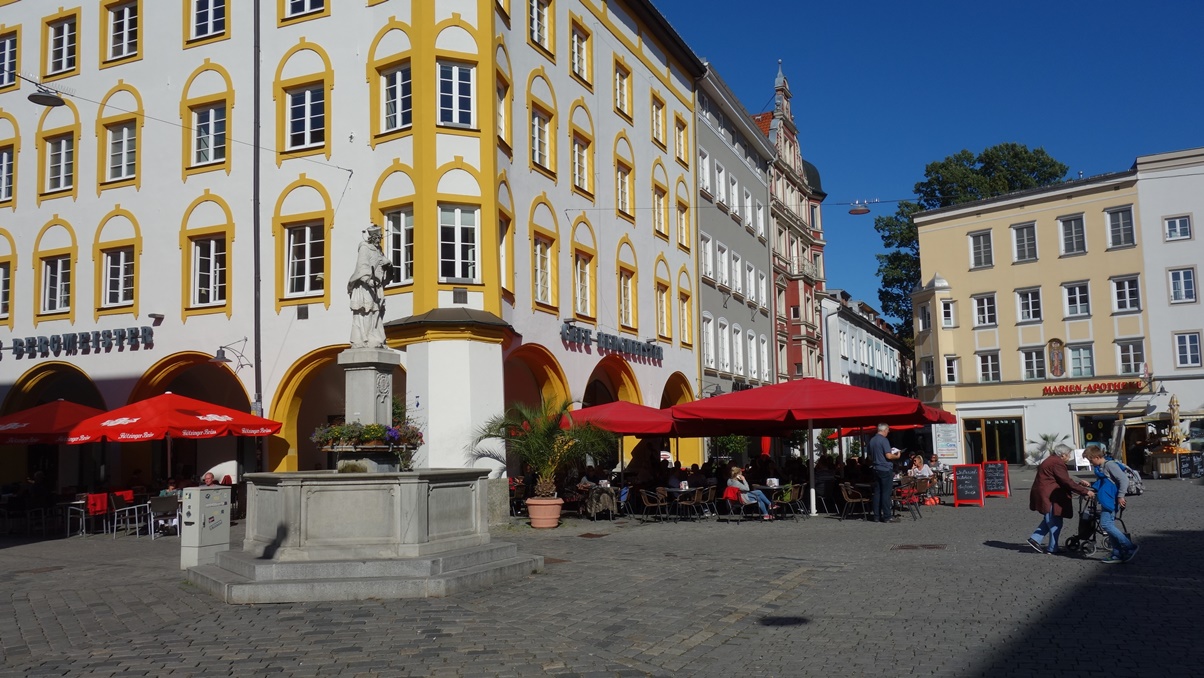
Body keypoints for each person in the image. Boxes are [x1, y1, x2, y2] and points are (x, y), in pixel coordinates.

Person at [1028, 444, 1093, 555]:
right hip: (1050, 495)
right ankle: (1051, 548)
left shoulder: (1052, 460)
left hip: (1046, 493)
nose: (1069, 457)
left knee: (1050, 519)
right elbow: (1066, 481)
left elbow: (1062, 479)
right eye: (1068, 455)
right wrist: (1085, 491)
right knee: (1055, 521)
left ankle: (1035, 539)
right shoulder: (1057, 463)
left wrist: (1078, 485)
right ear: (1062, 455)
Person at [1084, 444, 1138, 563]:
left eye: (1090, 460)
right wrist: (1091, 485)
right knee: (1109, 526)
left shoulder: (1110, 465)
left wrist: (1121, 496)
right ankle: (1116, 553)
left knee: (1106, 524)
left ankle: (1129, 546)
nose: (1090, 463)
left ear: (1096, 457)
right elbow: (1104, 483)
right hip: (1107, 500)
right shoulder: (1102, 467)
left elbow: (1123, 479)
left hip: (1111, 500)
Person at [347, 226, 393, 349]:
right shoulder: (364, 247)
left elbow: (381, 261)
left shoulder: (378, 249)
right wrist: (368, 280)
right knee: (366, 311)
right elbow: (362, 266)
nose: (379, 240)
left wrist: (387, 263)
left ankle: (375, 337)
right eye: (377, 238)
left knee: (376, 311)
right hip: (365, 286)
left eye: (380, 238)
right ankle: (364, 338)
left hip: (377, 285)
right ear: (372, 237)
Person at [868, 423, 901, 522]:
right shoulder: (884, 440)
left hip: (875, 468)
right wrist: (897, 456)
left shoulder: (872, 440)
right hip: (885, 468)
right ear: (884, 430)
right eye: (888, 430)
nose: (888, 432)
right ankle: (887, 516)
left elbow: (869, 456)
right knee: (886, 493)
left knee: (877, 492)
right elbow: (888, 456)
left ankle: (876, 516)